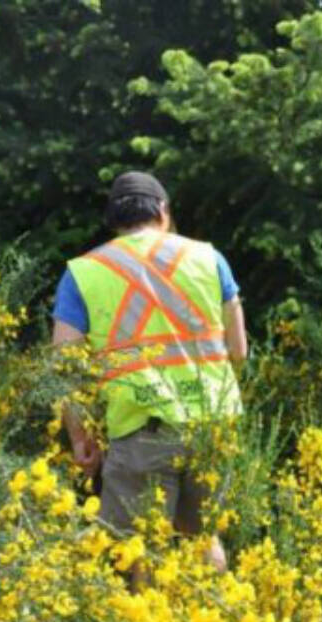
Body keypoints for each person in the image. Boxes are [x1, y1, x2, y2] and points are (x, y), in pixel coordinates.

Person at [51, 171, 248, 573]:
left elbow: (64, 368)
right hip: (213, 428)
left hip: (143, 429)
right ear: (163, 210)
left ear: (113, 220)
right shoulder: (209, 258)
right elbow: (238, 350)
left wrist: (80, 436)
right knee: (203, 539)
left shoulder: (84, 272)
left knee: (131, 553)